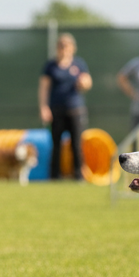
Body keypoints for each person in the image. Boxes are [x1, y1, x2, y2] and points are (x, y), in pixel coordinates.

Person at [38, 33, 92, 181]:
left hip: (75, 110)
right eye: (61, 46)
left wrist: (83, 83)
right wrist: (44, 107)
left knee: (76, 144)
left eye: (67, 46)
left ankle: (78, 176)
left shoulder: (79, 64)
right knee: (56, 145)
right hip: (56, 110)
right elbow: (44, 88)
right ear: (57, 48)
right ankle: (54, 176)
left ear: (73, 48)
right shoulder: (50, 66)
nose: (64, 49)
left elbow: (88, 82)